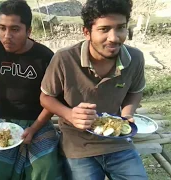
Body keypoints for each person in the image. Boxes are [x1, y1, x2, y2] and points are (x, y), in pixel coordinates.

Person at [40, 0, 148, 179]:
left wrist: (127, 114)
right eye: (104, 29)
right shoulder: (65, 59)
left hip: (118, 141)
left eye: (120, 27)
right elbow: (46, 98)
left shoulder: (135, 58)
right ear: (86, 32)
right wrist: (69, 114)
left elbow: (135, 91)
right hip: (77, 143)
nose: (114, 37)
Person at [0, 0, 62, 179]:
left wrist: (35, 127)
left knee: (46, 168)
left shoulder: (45, 57)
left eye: (15, 29)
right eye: (2, 28)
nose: (7, 36)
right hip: (2, 121)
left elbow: (54, 98)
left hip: (38, 121)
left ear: (28, 31)